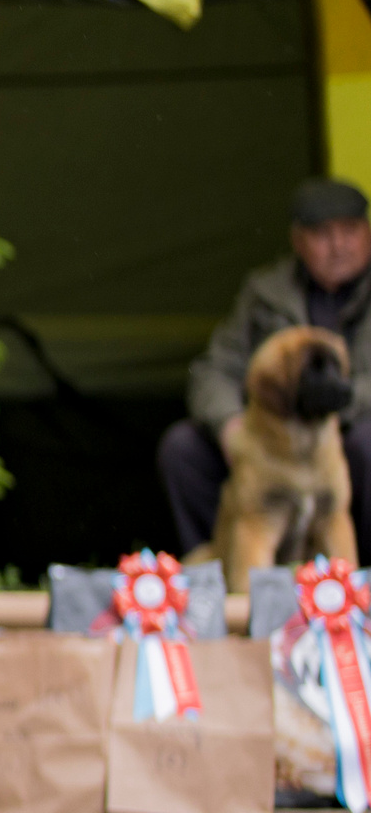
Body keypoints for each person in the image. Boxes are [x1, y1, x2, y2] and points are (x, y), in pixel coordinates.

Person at [158, 178, 371, 554]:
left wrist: (341, 400)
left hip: (350, 431)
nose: (339, 246)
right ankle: (218, 578)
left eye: (350, 231)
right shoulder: (265, 292)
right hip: (271, 444)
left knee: (366, 446)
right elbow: (214, 368)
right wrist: (230, 425)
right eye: (323, 234)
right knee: (182, 448)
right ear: (297, 240)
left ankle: (355, 585)